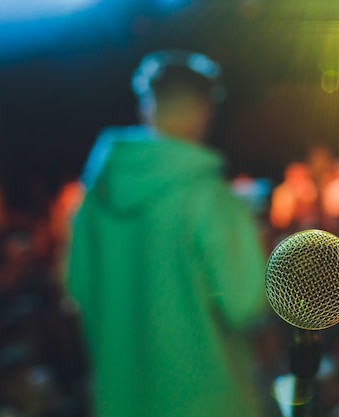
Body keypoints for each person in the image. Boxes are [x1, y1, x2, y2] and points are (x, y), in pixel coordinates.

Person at [66, 50, 268, 417]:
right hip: (209, 405)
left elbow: (78, 288)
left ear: (148, 106)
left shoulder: (96, 196)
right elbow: (245, 304)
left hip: (120, 404)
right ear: (204, 109)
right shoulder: (209, 196)